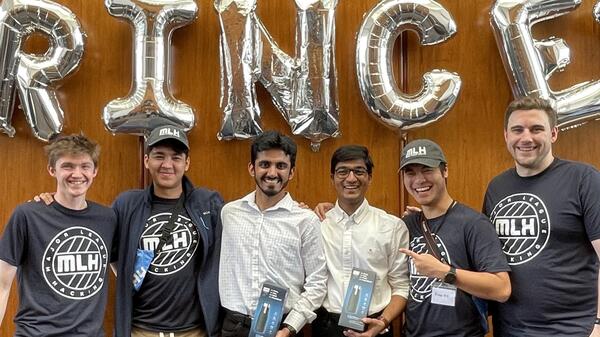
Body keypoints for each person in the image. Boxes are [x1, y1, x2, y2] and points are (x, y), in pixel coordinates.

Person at [483, 97, 600, 337]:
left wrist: (599, 324)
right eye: (517, 130)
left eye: (537, 129)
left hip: (573, 329)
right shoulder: (497, 186)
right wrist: (431, 219)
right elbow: (485, 253)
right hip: (509, 330)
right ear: (506, 135)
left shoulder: (583, 179)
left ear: (554, 133)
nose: (526, 138)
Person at [112, 125, 223, 337]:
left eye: (176, 157)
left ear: (187, 163)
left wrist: (293, 207)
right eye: (159, 156)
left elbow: (244, 225)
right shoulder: (127, 204)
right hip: (141, 330)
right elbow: (106, 245)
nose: (167, 165)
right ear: (147, 161)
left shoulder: (208, 203)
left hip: (194, 331)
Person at [0, 134, 116, 336]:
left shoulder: (107, 218)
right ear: (52, 170)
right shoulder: (28, 215)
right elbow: (2, 283)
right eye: (68, 166)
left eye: (85, 166)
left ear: (95, 171)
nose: (77, 174)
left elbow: (123, 271)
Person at [219, 130, 327, 337]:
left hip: (282, 328)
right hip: (233, 326)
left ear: (292, 172)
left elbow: (318, 282)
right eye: (265, 164)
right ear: (252, 168)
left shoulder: (305, 221)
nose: (272, 173)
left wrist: (289, 327)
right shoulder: (230, 213)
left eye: (281, 166)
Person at [399, 139, 511, 337]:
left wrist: (446, 272)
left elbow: (501, 289)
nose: (419, 180)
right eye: (410, 172)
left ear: (445, 171)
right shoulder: (407, 225)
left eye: (427, 169)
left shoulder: (474, 223)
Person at [312, 145, 410, 337]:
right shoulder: (316, 225)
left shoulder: (392, 226)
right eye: (342, 172)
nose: (351, 178)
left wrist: (382, 322)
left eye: (359, 171)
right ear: (332, 178)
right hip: (326, 326)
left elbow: (401, 285)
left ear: (369, 177)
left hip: (375, 324)